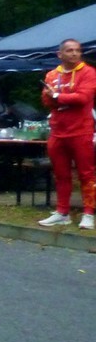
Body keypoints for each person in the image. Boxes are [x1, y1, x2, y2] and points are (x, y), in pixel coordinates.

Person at [38, 38, 96, 229]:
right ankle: (62, 212)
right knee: (61, 175)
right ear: (60, 54)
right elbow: (46, 101)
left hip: (81, 131)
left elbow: (82, 98)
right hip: (58, 132)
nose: (74, 53)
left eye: (77, 50)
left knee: (86, 174)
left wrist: (57, 96)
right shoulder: (52, 75)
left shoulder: (88, 72)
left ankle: (89, 213)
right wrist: (56, 98)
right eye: (69, 50)